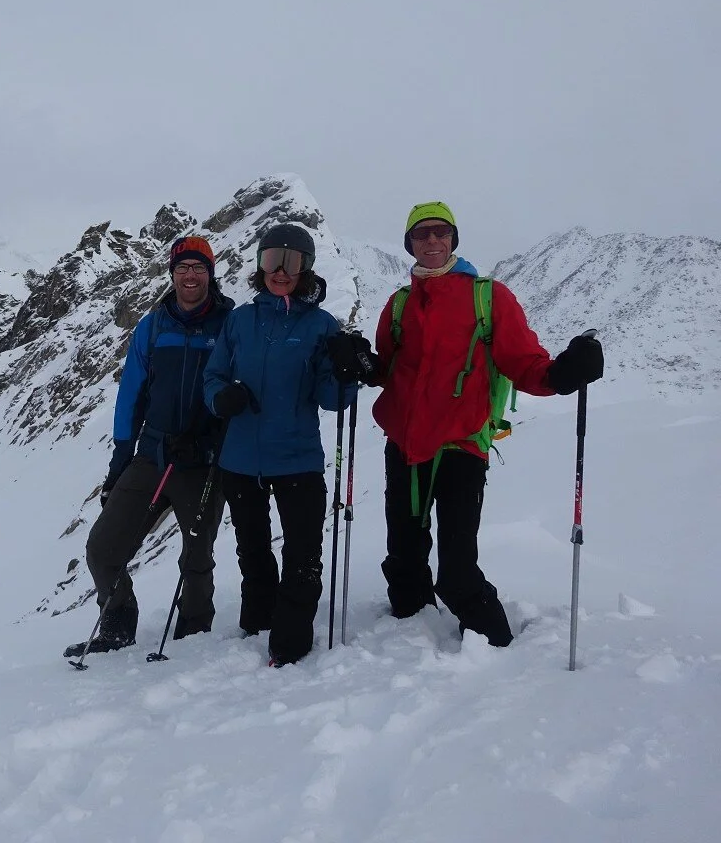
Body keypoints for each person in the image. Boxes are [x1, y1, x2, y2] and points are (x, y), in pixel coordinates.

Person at [326, 201, 604, 646]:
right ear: (409, 244)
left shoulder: (488, 296)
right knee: (403, 557)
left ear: (453, 239)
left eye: (440, 232)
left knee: (456, 568)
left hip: (461, 446)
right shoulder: (399, 304)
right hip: (404, 444)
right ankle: (407, 635)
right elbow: (387, 370)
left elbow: (523, 362)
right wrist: (359, 360)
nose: (432, 240)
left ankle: (493, 643)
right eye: (422, 234)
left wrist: (563, 374)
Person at [65, 235, 235, 658]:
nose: (191, 275)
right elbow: (131, 395)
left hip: (203, 461)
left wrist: (213, 443)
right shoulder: (153, 324)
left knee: (197, 560)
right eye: (183, 268)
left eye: (199, 268)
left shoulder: (230, 323)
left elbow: (240, 392)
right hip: (153, 456)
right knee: (103, 549)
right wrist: (122, 459)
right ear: (172, 274)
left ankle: (194, 637)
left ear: (211, 274)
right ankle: (119, 622)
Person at [202, 224, 357, 667]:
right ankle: (258, 619)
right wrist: (220, 398)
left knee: (303, 550)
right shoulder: (240, 320)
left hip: (297, 458)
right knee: (252, 547)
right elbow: (213, 377)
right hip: (241, 457)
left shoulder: (321, 326)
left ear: (306, 267)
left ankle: (290, 639)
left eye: (291, 261)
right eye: (272, 259)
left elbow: (333, 400)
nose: (280, 271)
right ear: (259, 265)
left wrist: (346, 370)